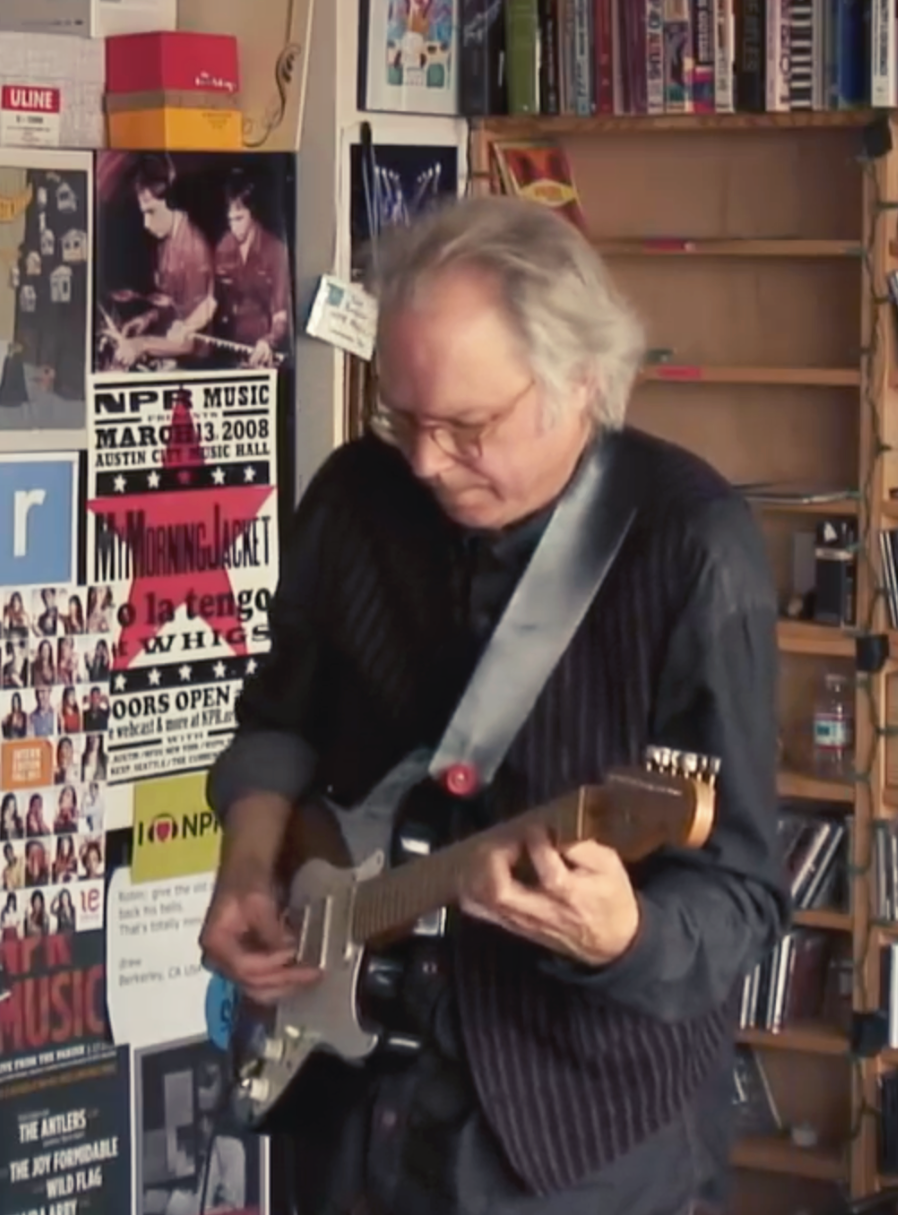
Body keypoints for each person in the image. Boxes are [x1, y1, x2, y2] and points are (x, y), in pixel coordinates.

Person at [199, 196, 789, 1215]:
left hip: (574, 1140)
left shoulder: (692, 550)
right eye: (404, 418)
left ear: (582, 383)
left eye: (468, 428)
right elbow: (280, 719)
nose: (426, 461)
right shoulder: (355, 496)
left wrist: (622, 936)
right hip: (347, 1091)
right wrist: (247, 870)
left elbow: (740, 896)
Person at [108, 156, 215, 371]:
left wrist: (141, 345)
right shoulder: (166, 241)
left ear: (171, 203)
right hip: (168, 345)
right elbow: (176, 304)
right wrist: (148, 318)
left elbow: (188, 340)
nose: (146, 224)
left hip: (193, 362)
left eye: (151, 212)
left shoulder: (193, 250)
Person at [212, 170, 291, 369]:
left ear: (252, 214)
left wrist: (269, 341)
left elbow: (281, 313)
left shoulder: (275, 250)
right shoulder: (223, 248)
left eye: (239, 219)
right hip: (233, 351)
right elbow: (213, 301)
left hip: (267, 353)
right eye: (230, 220)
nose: (234, 228)